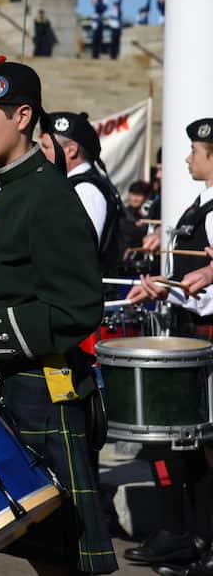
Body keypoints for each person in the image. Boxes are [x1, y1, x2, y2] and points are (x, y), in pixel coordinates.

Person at [0, 57, 117, 575]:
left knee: (61, 553)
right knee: (34, 544)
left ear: (22, 117)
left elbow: (79, 306)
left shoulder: (47, 194)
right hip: (3, 383)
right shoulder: (0, 188)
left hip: (44, 388)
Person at [126, 119, 213, 575]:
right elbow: (194, 275)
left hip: (206, 332)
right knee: (188, 443)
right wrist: (164, 284)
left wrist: (188, 283)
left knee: (205, 442)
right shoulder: (202, 206)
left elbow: (209, 284)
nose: (187, 158)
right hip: (189, 327)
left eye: (195, 150)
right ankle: (190, 536)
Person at [41, 111, 125, 273]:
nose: (41, 153)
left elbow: (77, 256)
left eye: (46, 147)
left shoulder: (85, 191)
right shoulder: (71, 187)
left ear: (71, 150)